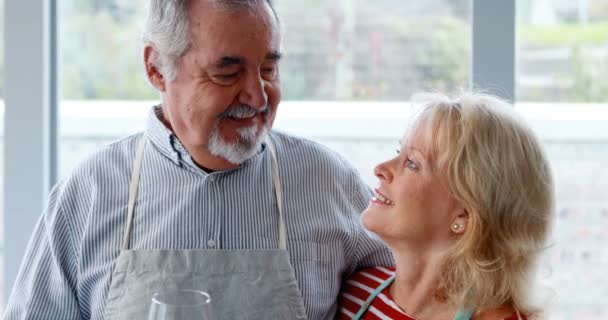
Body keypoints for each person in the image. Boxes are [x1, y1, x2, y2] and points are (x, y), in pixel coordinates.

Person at [3, 1, 392, 319]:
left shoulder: (329, 181)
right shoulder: (88, 194)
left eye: (269, 70)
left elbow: (414, 296)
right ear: (156, 67)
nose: (258, 97)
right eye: (228, 73)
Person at [338, 93, 554, 320]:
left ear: (464, 215)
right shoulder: (355, 291)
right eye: (397, 153)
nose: (380, 168)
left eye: (412, 163)